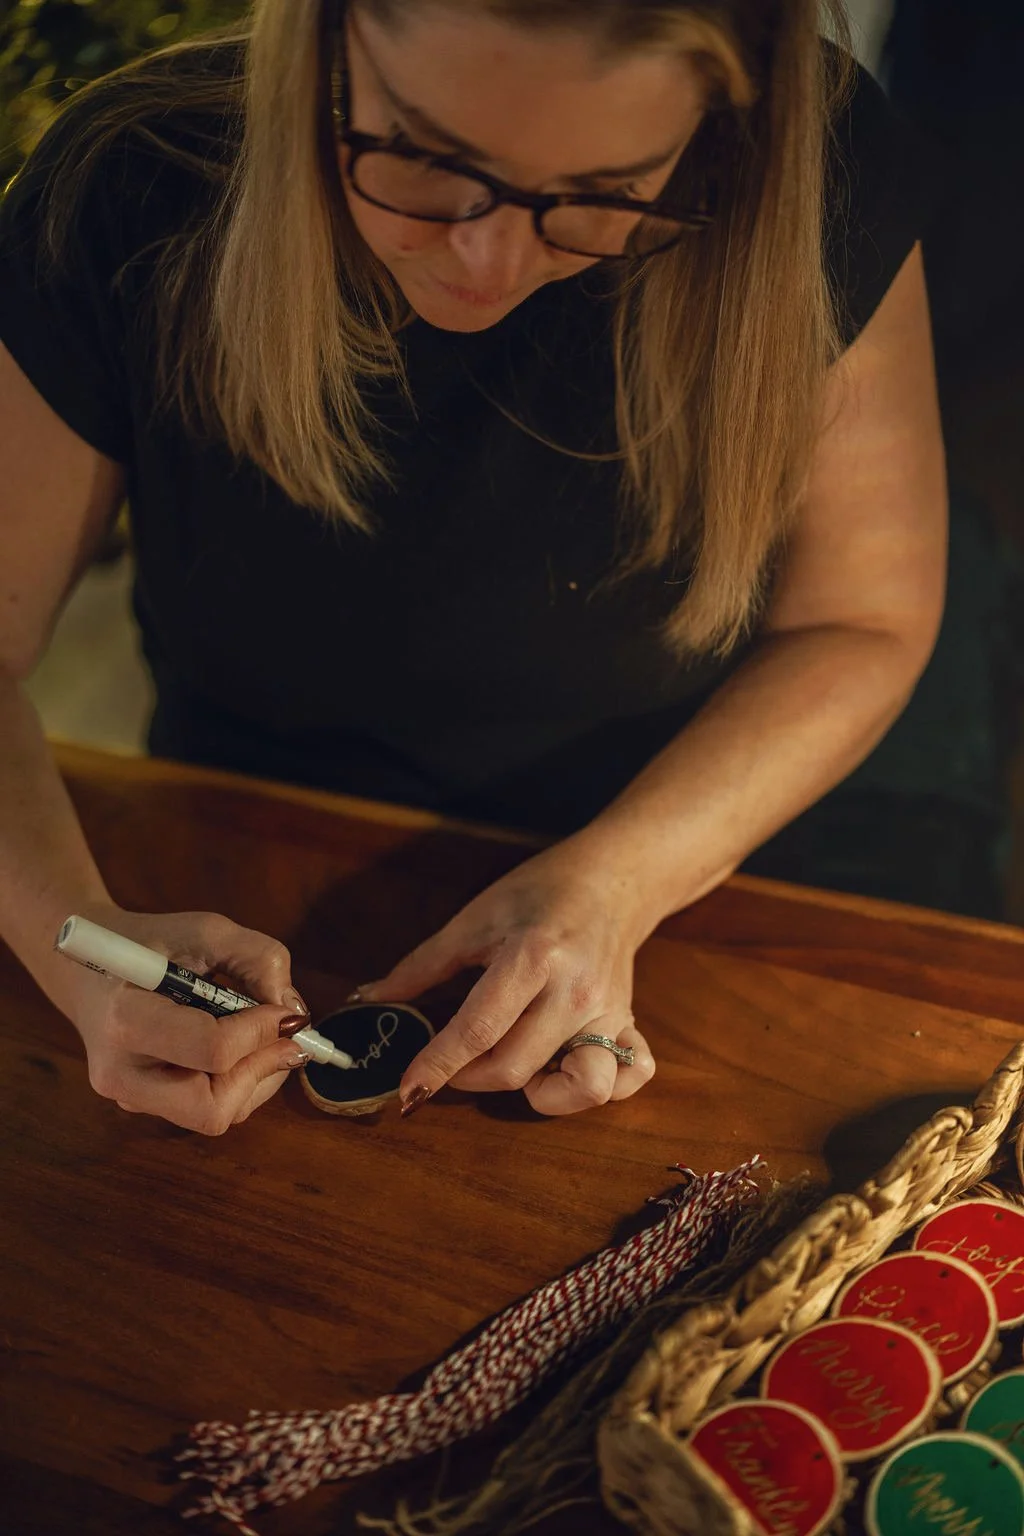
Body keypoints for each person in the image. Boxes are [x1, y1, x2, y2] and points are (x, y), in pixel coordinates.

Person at [0, 0, 945, 1132]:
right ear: (323, 50)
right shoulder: (131, 185)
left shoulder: (813, 175)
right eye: (422, 159)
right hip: (236, 866)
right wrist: (71, 939)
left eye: (601, 193)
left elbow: (861, 621)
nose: (487, 263)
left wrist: (615, 886)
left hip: (686, 876)